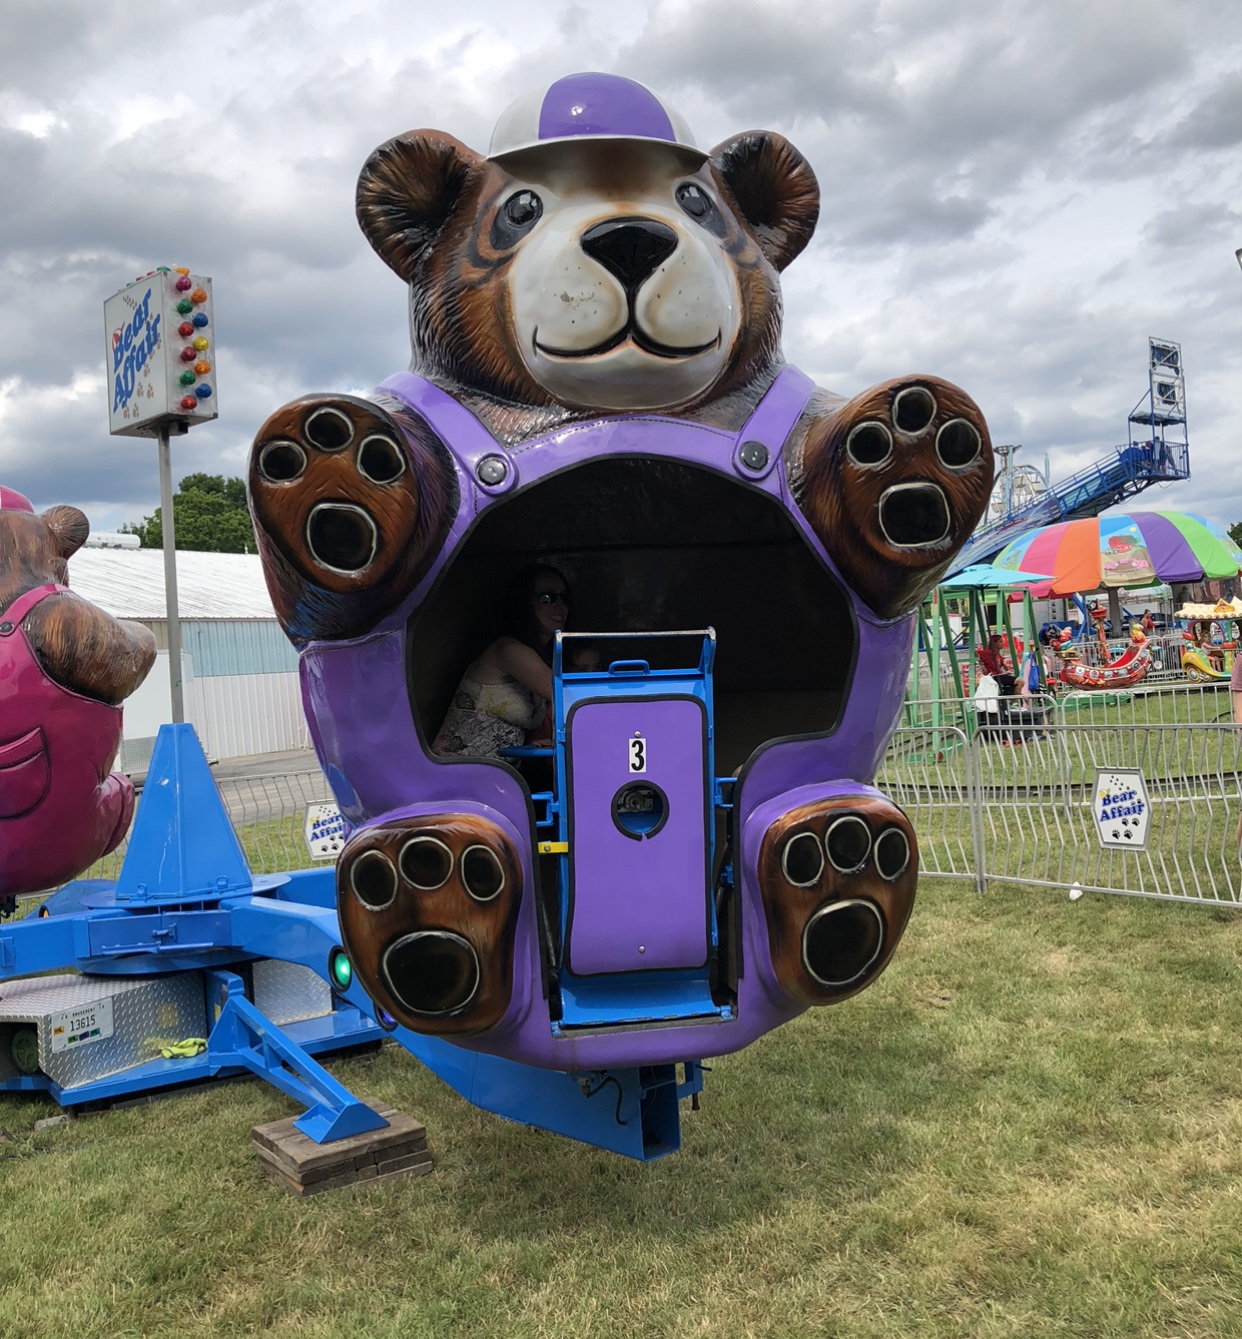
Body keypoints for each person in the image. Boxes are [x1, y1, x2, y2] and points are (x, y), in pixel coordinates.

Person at [433, 565, 569, 758]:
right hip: (459, 772)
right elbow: (570, 696)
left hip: (497, 775)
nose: (560, 605)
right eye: (547, 598)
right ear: (523, 604)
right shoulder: (508, 650)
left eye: (565, 598)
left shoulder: (538, 655)